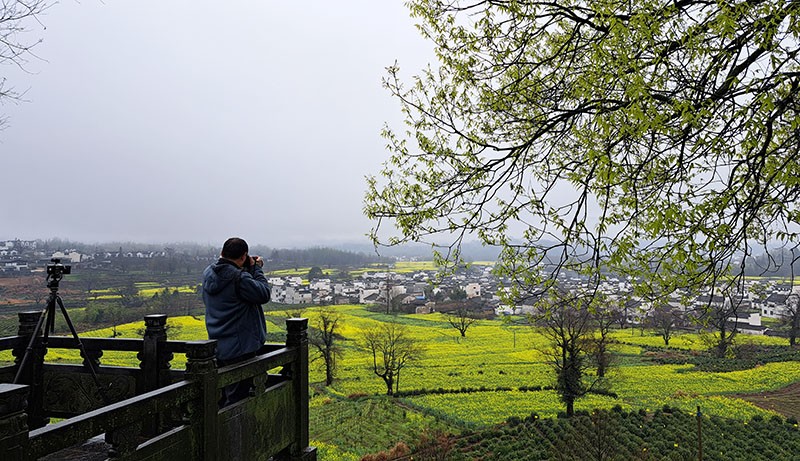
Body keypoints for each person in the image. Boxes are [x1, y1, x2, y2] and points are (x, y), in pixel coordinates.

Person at [202, 237, 271, 406]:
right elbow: (263, 294)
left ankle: (218, 430)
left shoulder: (209, 273)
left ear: (222, 253)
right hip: (241, 347)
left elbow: (228, 278)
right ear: (243, 257)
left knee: (223, 397)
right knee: (237, 401)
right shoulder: (239, 279)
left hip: (218, 345)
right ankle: (231, 433)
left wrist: (246, 267)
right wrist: (256, 269)